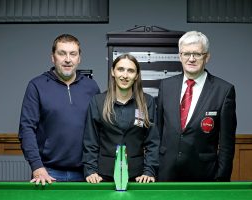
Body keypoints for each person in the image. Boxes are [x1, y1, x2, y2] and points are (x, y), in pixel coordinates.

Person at [18, 34, 100, 185]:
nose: (68, 59)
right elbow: (26, 129)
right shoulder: (37, 86)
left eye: (73, 54)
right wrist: (37, 167)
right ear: (53, 57)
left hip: (85, 173)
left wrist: (94, 167)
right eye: (62, 53)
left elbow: (99, 129)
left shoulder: (91, 87)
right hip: (48, 173)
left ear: (79, 58)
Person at [157, 31, 237, 182]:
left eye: (197, 54)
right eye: (186, 53)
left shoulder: (224, 90)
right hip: (166, 172)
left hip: (204, 174)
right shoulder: (166, 86)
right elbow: (158, 132)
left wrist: (221, 178)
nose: (191, 59)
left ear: (207, 57)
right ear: (180, 56)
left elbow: (227, 143)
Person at [82, 54, 159, 183]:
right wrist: (91, 171)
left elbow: (152, 142)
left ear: (136, 76)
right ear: (113, 72)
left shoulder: (147, 102)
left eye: (130, 71)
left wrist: (149, 171)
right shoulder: (98, 102)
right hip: (103, 176)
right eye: (120, 69)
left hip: (138, 176)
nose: (125, 75)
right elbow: (90, 141)